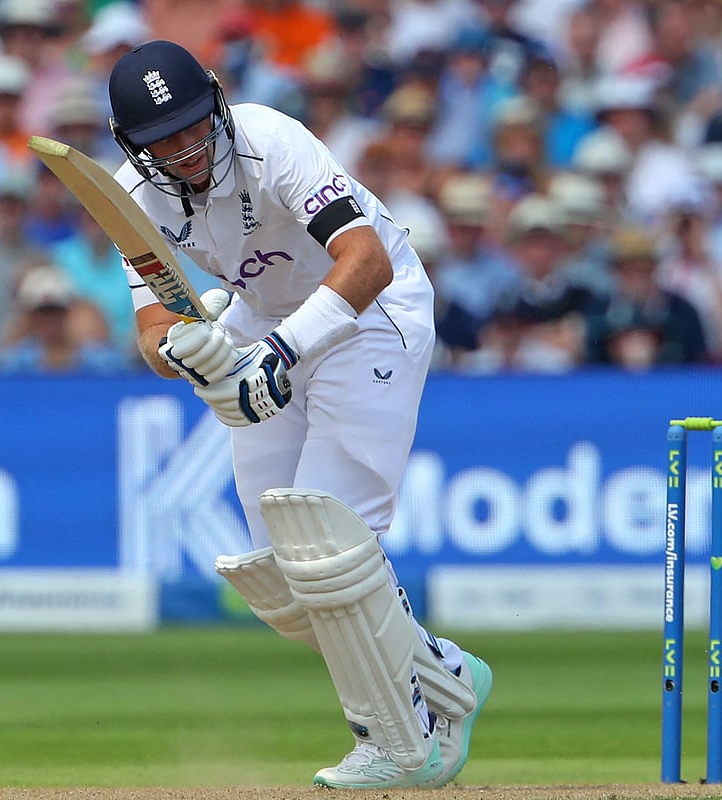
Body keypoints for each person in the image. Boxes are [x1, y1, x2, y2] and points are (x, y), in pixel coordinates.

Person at [104, 40, 491, 789]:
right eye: (162, 140)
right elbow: (152, 331)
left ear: (215, 103)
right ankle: (446, 673)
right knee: (280, 578)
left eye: (192, 127)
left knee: (328, 543)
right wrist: (196, 354)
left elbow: (367, 257)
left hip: (373, 312)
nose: (184, 151)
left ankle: (396, 737)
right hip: (264, 321)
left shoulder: (270, 139)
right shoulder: (130, 197)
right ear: (132, 144)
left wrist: (277, 351)